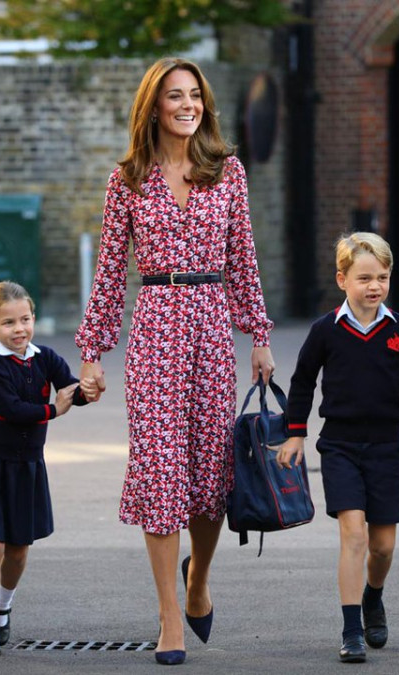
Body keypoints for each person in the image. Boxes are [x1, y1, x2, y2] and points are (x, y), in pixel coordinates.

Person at [74, 57, 275, 666]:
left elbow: (243, 259)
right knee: (161, 472)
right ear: (154, 107)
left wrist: (258, 334)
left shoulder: (227, 171)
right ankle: (168, 617)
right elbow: (111, 273)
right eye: (175, 96)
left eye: (195, 95)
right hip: (155, 330)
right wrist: (92, 353)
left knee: (210, 477)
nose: (188, 105)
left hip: (211, 328)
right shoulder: (127, 180)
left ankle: (198, 580)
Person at [277, 232, 399, 663]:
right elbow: (302, 382)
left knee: (382, 547)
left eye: (382, 277)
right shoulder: (325, 330)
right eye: (364, 278)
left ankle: (373, 596)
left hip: (385, 447)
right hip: (339, 446)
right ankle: (350, 631)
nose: (374, 286)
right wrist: (295, 432)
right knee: (354, 534)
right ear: (342, 280)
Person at [0, 280, 90, 656]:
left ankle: (3, 609)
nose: (19, 329)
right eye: (9, 322)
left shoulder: (45, 357)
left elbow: (70, 388)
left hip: (27, 464)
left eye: (25, 319)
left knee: (18, 549)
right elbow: (12, 410)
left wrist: (87, 390)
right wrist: (54, 410)